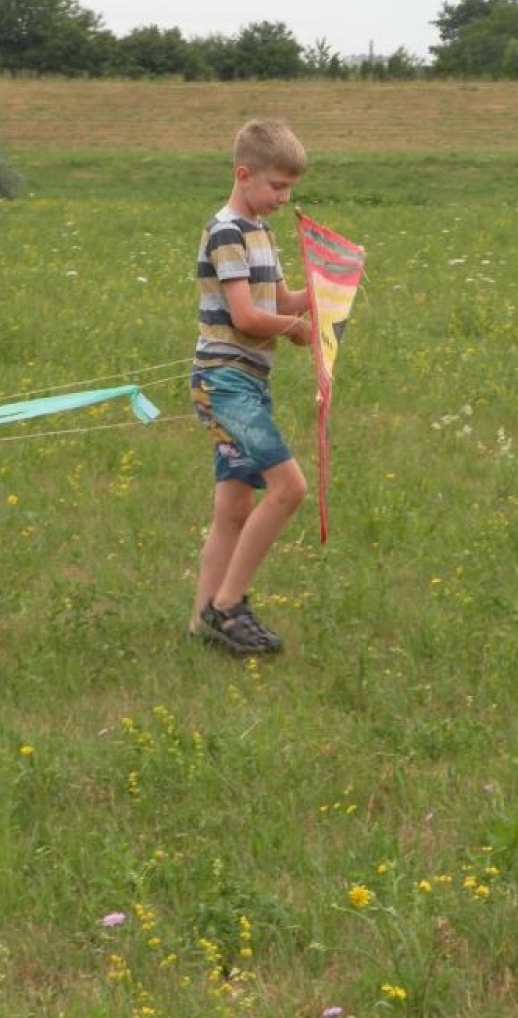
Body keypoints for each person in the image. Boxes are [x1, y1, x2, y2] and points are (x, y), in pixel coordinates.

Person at [188, 119, 314, 654]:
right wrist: (295, 329)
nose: (284, 198)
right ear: (244, 175)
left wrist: (327, 289)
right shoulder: (227, 232)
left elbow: (281, 301)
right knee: (289, 488)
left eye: (290, 188)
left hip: (249, 383)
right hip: (224, 384)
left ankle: (200, 624)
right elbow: (246, 316)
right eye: (277, 186)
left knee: (235, 509)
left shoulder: (262, 231)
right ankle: (227, 606)